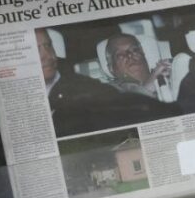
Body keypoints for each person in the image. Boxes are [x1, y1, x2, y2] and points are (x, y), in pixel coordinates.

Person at [36, 28, 179, 137]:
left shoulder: (172, 69)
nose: (129, 55)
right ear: (111, 68)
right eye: (120, 55)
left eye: (134, 50)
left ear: (144, 55)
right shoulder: (107, 91)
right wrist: (148, 85)